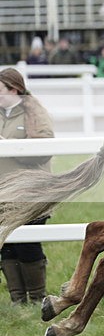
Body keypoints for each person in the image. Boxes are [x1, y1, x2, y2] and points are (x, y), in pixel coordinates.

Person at [0, 68, 53, 303]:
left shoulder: (35, 113)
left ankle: (36, 298)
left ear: (14, 89)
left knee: (27, 245)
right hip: (3, 193)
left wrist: (10, 146)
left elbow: (43, 151)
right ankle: (17, 299)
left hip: (31, 192)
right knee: (7, 247)